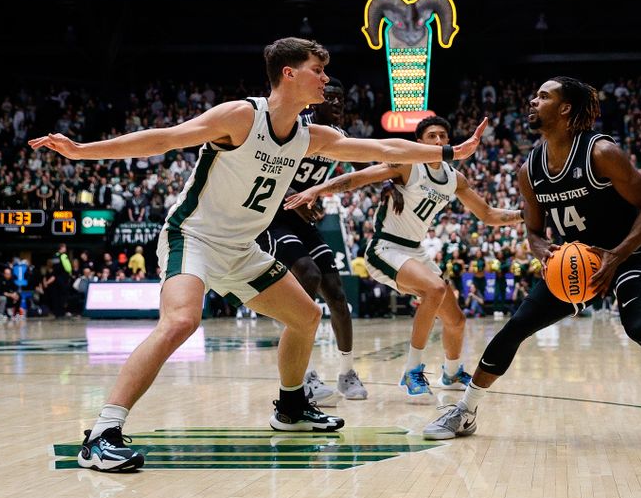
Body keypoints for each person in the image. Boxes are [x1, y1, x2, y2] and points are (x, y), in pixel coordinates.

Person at [29, 36, 486, 472]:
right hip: (195, 237)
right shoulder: (241, 117)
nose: (326, 78)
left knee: (306, 317)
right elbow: (165, 138)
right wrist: (83, 151)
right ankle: (102, 434)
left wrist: (447, 150)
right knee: (182, 321)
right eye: (318, 70)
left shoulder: (311, 135)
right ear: (288, 74)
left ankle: (290, 408)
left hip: (242, 248)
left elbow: (383, 147)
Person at [422, 77, 641, 460]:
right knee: (516, 326)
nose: (533, 102)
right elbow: (534, 231)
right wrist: (540, 250)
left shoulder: (600, 152)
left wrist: (616, 256)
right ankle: (465, 411)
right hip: (577, 266)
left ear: (565, 109)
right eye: (535, 95)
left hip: (628, 257)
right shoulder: (529, 170)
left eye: (543, 96)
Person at [285, 115, 521, 402]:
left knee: (456, 321)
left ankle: (452, 371)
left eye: (442, 136)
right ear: (419, 142)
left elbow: (488, 215)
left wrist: (526, 215)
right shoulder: (408, 166)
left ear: (448, 141)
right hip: (386, 248)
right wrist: (317, 189)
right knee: (433, 289)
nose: (437, 141)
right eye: (431, 136)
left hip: (416, 251)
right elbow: (358, 178)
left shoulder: (454, 178)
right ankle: (412, 372)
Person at [255, 77, 367, 403]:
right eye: (330, 98)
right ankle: (303, 375)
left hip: (302, 216)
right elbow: (268, 169)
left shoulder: (339, 137)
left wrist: (388, 183)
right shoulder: (295, 126)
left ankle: (347, 373)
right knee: (309, 274)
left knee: (336, 293)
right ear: (316, 102)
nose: (337, 104)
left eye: (341, 101)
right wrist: (297, 197)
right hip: (273, 216)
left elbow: (361, 167)